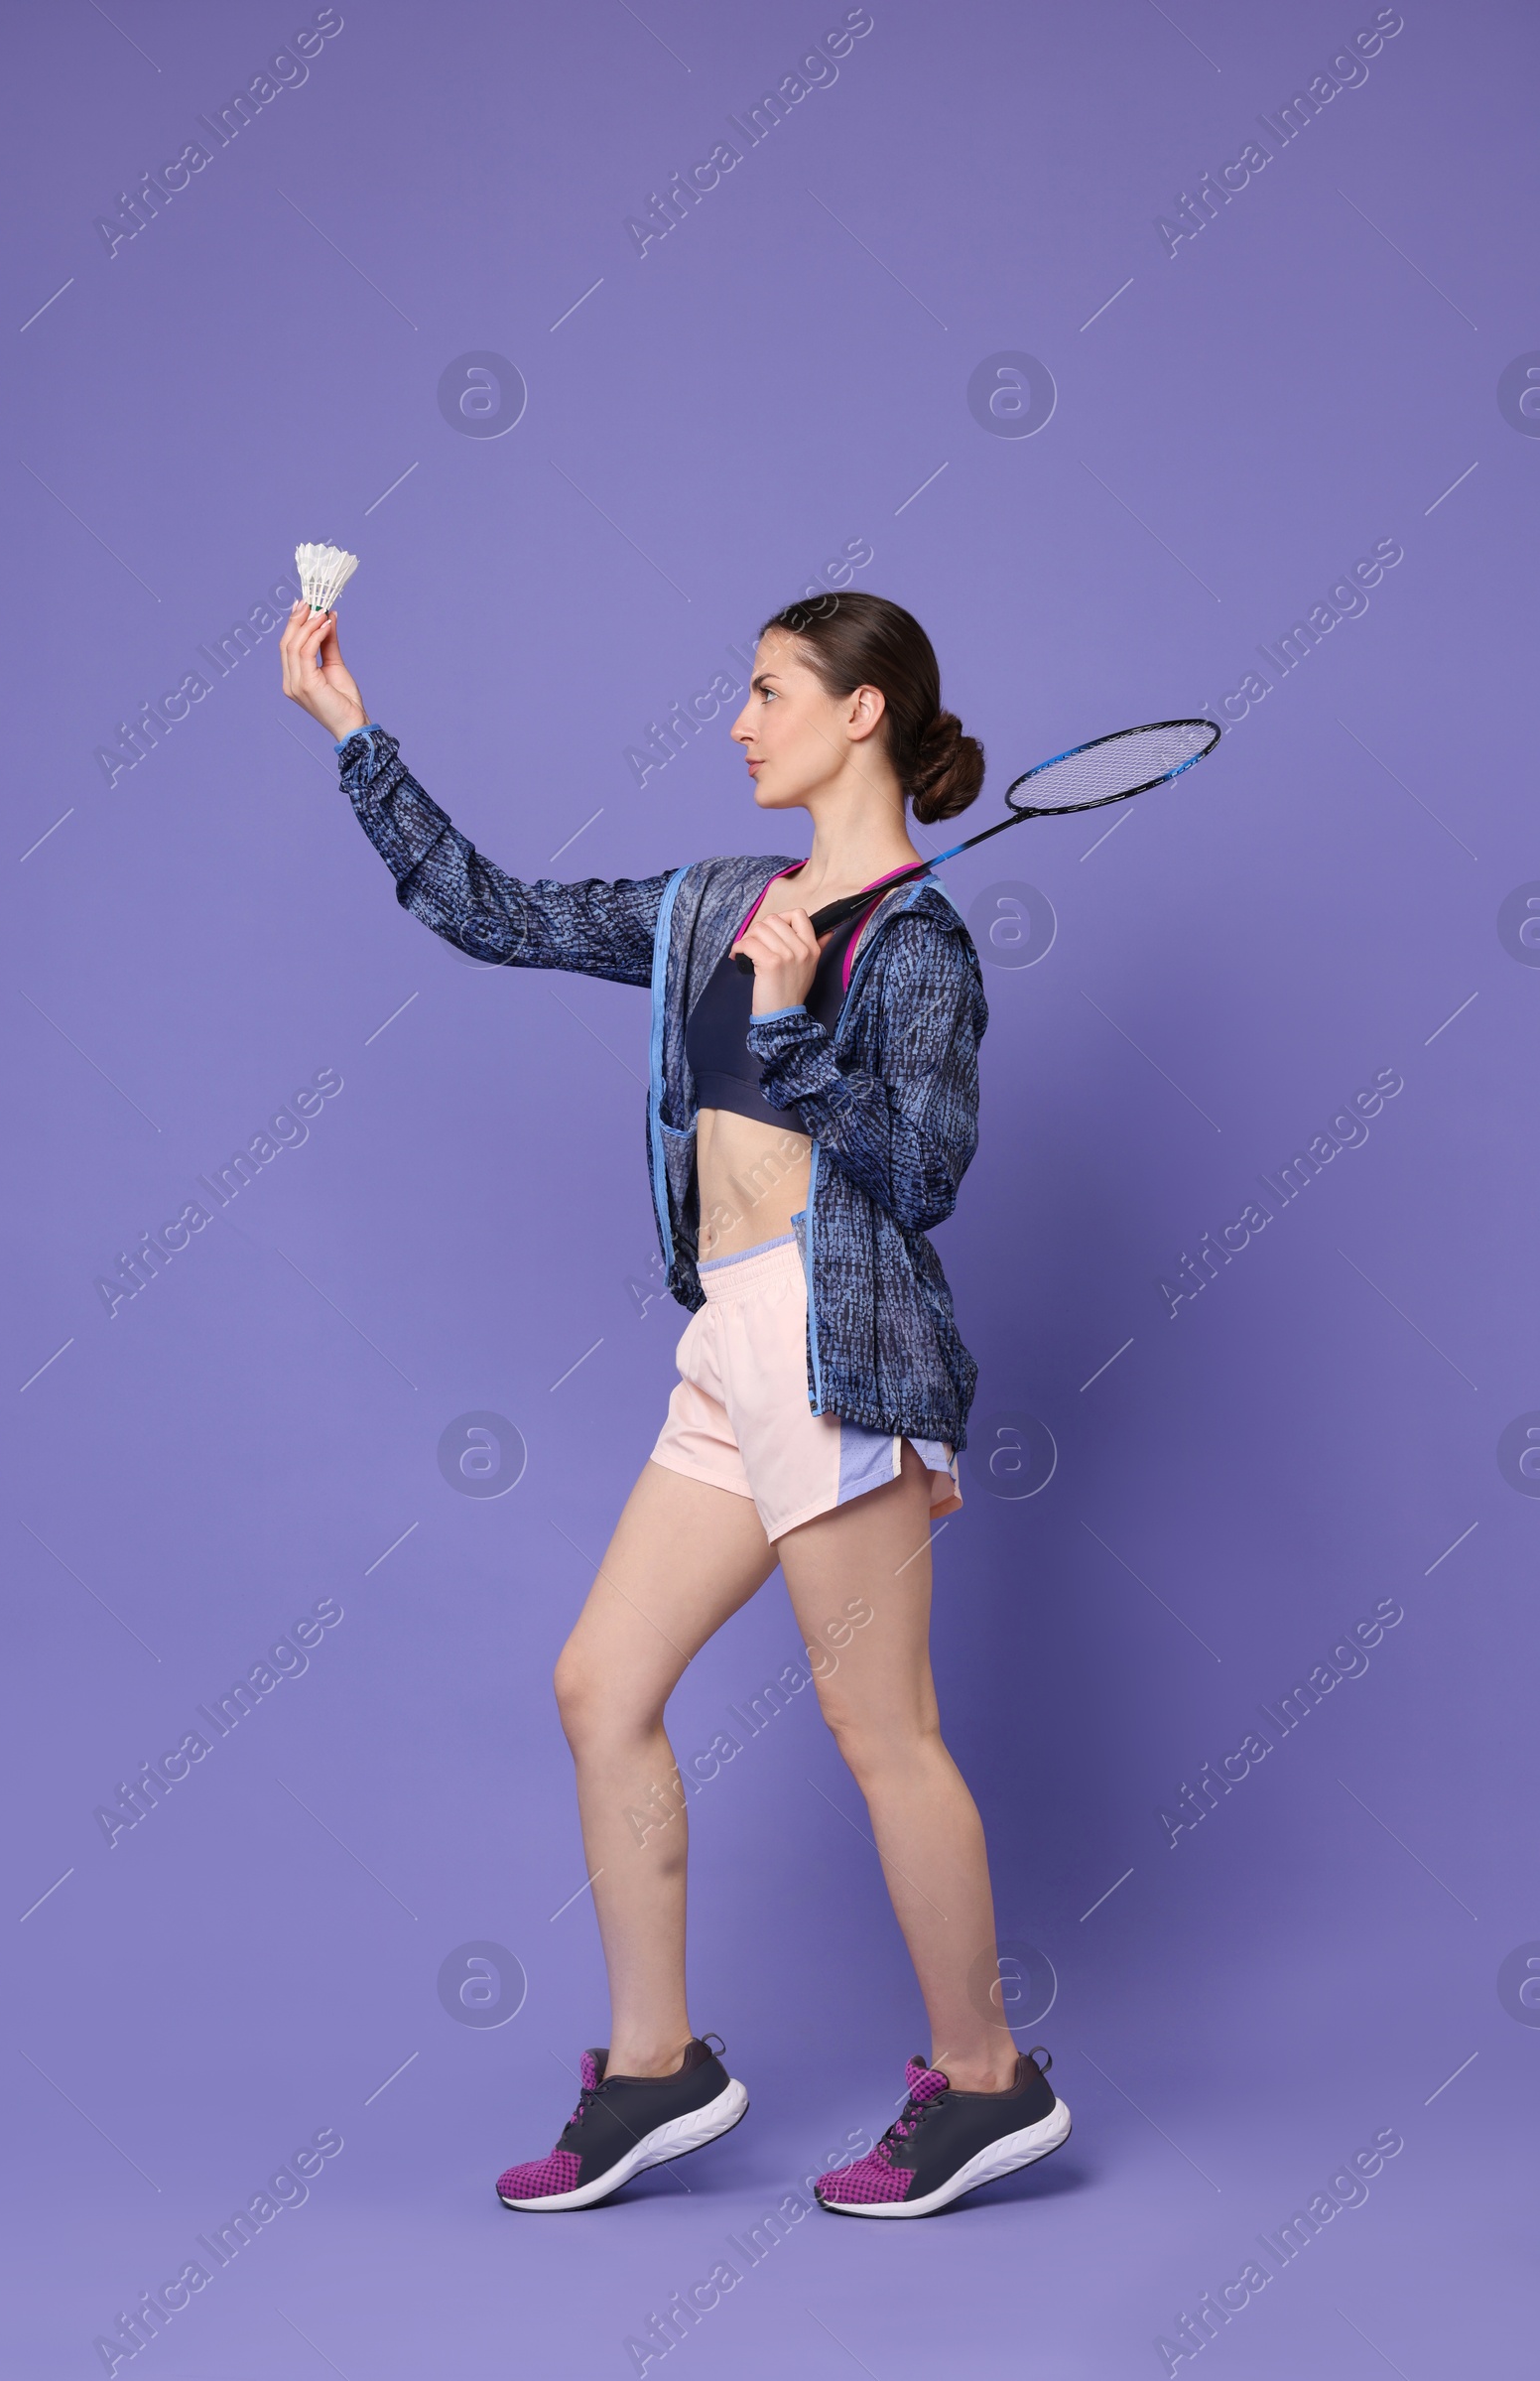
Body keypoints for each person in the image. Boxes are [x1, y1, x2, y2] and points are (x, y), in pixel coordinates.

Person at [280, 587, 1071, 2217]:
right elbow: (500, 913)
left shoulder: (916, 943)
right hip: (729, 1341)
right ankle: (660, 2069)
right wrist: (354, 736)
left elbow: (920, 1174)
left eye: (770, 690)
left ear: (862, 713)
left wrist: (790, 1030)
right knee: (601, 1683)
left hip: (834, 1349)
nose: (737, 719)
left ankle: (987, 2082)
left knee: (882, 1734)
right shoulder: (723, 899)